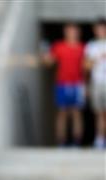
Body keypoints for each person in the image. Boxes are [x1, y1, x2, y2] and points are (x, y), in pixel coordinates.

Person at [43, 23, 85, 147]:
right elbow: (50, 62)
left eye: (74, 30)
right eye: (69, 30)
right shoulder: (58, 46)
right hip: (62, 83)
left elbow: (86, 67)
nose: (72, 33)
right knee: (62, 113)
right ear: (65, 32)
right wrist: (46, 58)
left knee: (76, 113)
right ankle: (61, 142)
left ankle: (76, 142)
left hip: (78, 84)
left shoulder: (83, 48)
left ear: (78, 32)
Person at [85, 18, 106, 149]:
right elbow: (86, 66)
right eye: (98, 28)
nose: (100, 31)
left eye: (103, 28)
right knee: (99, 113)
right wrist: (97, 59)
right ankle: (99, 140)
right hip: (96, 83)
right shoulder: (91, 46)